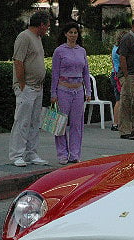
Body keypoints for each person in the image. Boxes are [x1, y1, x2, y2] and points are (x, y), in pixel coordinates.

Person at [9, 11, 50, 167]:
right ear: (40, 25)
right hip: (27, 86)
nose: (47, 29)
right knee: (22, 121)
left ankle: (31, 152)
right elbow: (18, 61)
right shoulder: (24, 37)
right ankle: (16, 154)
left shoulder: (38, 38)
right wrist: (21, 84)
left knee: (34, 121)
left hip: (37, 87)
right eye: (46, 25)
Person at [50, 23, 91, 165]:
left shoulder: (82, 51)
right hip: (63, 90)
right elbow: (54, 73)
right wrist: (53, 93)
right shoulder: (59, 51)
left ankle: (75, 154)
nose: (73, 35)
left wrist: (88, 91)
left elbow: (86, 72)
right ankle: (62, 153)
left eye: (75, 32)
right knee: (60, 123)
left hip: (78, 90)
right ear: (65, 34)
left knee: (77, 124)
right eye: (70, 32)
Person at [110, 30, 127, 131]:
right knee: (119, 99)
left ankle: (118, 122)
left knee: (120, 99)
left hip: (115, 73)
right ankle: (116, 123)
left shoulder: (114, 48)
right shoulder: (119, 50)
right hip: (118, 75)